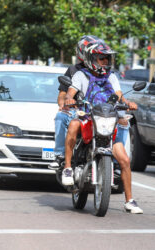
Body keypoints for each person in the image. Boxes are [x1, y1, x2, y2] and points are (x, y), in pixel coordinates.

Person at [63, 35, 143, 214]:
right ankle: (68, 168)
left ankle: (129, 200)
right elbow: (70, 93)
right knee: (73, 125)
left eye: (107, 58)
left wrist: (128, 103)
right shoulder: (80, 75)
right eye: (101, 57)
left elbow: (119, 95)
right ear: (91, 59)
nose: (105, 61)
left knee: (124, 159)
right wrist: (69, 99)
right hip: (88, 117)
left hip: (107, 120)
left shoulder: (112, 77)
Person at [49, 36, 88, 170]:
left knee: (124, 122)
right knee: (61, 116)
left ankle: (117, 163)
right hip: (77, 111)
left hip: (99, 113)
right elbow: (62, 96)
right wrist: (65, 103)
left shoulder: (106, 73)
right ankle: (60, 156)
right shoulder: (73, 70)